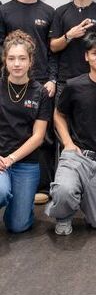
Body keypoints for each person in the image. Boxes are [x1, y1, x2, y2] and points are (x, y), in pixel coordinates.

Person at [45, 32, 96, 235]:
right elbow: (58, 114)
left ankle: (81, 195)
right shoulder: (74, 86)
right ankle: (63, 213)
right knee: (64, 191)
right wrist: (68, 143)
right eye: (94, 53)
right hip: (76, 156)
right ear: (86, 57)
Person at [0, 0, 56, 205]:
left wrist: (52, 78)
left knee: (45, 137)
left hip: (41, 82)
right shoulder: (5, 11)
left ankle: (41, 187)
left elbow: (53, 51)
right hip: (11, 80)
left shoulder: (48, 11)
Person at [0, 30, 51, 232]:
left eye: (22, 58)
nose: (17, 64)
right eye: (11, 58)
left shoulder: (41, 93)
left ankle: (21, 203)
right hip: (0, 159)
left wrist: (11, 159)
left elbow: (38, 137)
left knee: (18, 225)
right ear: (5, 60)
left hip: (26, 163)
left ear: (31, 61)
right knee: (1, 192)